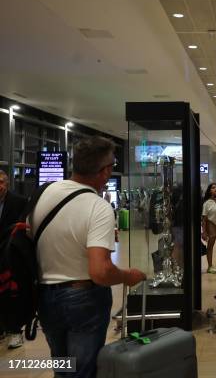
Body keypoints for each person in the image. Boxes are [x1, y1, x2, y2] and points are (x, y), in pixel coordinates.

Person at [30, 136, 146, 378]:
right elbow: (100, 271)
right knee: (83, 371)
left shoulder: (45, 193)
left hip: (45, 296)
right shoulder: (97, 206)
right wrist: (128, 276)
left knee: (63, 369)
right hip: (83, 298)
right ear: (104, 172)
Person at [0, 169, 28, 348]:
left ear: (7, 184)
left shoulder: (19, 202)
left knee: (12, 295)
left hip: (10, 257)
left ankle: (15, 331)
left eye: (1, 182)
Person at [202, 183, 216, 274]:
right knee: (211, 245)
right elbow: (204, 219)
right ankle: (210, 266)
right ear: (209, 190)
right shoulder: (207, 203)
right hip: (211, 224)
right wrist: (204, 232)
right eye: (213, 188)